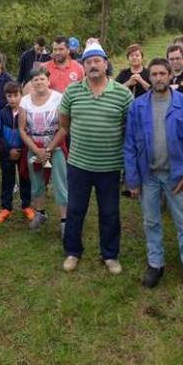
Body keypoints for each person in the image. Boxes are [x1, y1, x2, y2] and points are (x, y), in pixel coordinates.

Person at [124, 58, 183, 294]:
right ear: (150, 77)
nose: (158, 78)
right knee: (151, 221)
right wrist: (132, 179)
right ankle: (155, 265)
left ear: (170, 76)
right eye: (154, 74)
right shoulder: (138, 106)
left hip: (176, 176)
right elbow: (129, 145)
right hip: (148, 175)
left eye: (162, 74)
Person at [59, 40, 133, 274]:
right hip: (79, 164)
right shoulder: (73, 91)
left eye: (97, 61)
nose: (93, 65)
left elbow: (129, 127)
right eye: (88, 62)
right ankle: (72, 252)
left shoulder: (122, 94)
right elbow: (64, 122)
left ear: (105, 64)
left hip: (110, 166)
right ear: (83, 66)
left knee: (110, 212)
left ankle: (110, 255)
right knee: (75, 209)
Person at [19, 67, 69, 235]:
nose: (39, 82)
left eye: (42, 79)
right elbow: (21, 129)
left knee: (60, 183)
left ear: (48, 80)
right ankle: (40, 213)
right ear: (31, 83)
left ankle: (65, 220)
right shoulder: (25, 101)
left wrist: (47, 150)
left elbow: (63, 127)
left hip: (55, 147)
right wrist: (36, 150)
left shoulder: (58, 98)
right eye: (35, 80)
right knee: (37, 182)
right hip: (34, 147)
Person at [0, 82, 34, 224]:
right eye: (9, 96)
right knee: (7, 179)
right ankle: (6, 208)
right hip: (7, 154)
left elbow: (30, 132)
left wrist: (22, 149)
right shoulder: (1, 113)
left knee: (25, 178)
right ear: (5, 97)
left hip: (23, 152)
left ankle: (27, 205)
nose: (13, 99)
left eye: (15, 95)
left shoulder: (27, 112)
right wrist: (8, 150)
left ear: (21, 95)